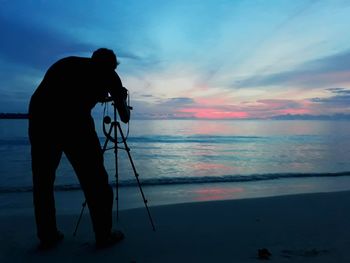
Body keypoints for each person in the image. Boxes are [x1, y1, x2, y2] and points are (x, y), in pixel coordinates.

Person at [28, 48, 130, 249]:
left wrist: (100, 95)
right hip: (71, 120)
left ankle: (47, 235)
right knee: (96, 180)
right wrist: (121, 99)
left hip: (40, 117)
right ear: (112, 66)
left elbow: (63, 90)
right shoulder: (110, 76)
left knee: (43, 181)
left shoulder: (67, 64)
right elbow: (125, 117)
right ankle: (104, 235)